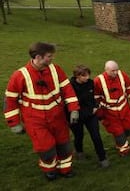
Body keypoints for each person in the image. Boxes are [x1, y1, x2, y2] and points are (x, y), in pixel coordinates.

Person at [3, 42, 80, 181]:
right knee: (46, 149)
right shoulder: (20, 75)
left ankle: (65, 169)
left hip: (57, 117)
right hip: (35, 120)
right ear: (38, 57)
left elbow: (68, 89)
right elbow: (10, 100)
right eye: (49, 56)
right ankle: (49, 169)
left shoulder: (56, 70)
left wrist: (74, 109)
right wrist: (14, 123)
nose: (52, 58)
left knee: (65, 145)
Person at [94, 61, 130, 156]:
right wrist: (99, 112)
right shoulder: (98, 81)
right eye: (113, 71)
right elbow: (96, 98)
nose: (115, 73)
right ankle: (123, 149)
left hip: (124, 108)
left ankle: (123, 141)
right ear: (106, 70)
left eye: (117, 70)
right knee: (118, 131)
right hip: (110, 111)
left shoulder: (122, 75)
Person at [69, 65, 109, 168]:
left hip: (91, 114)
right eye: (84, 76)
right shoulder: (70, 86)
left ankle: (102, 158)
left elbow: (95, 96)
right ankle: (79, 152)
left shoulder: (91, 83)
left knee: (96, 136)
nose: (87, 78)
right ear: (77, 76)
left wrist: (96, 106)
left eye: (88, 75)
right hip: (77, 116)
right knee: (79, 135)